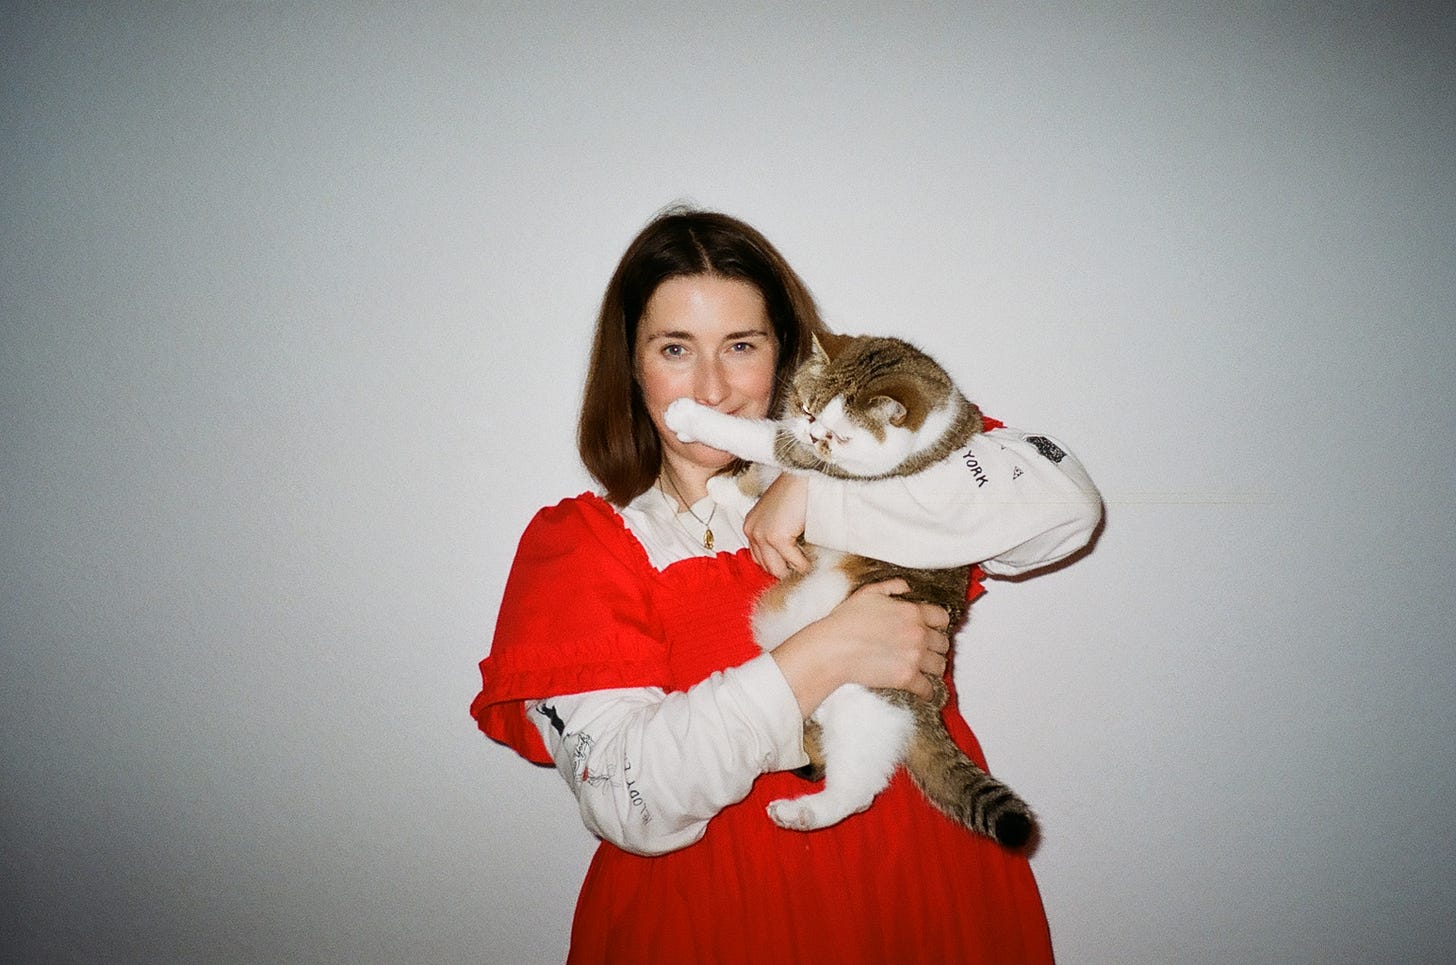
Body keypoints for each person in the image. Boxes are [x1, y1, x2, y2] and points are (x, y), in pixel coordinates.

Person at [470, 207, 1102, 964]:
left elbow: (1066, 505)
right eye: (676, 348)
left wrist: (825, 490)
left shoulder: (884, 462)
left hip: (928, 890)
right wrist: (823, 656)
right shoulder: (583, 545)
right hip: (718, 921)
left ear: (783, 353)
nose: (712, 387)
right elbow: (625, 798)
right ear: (632, 365)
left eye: (741, 346)